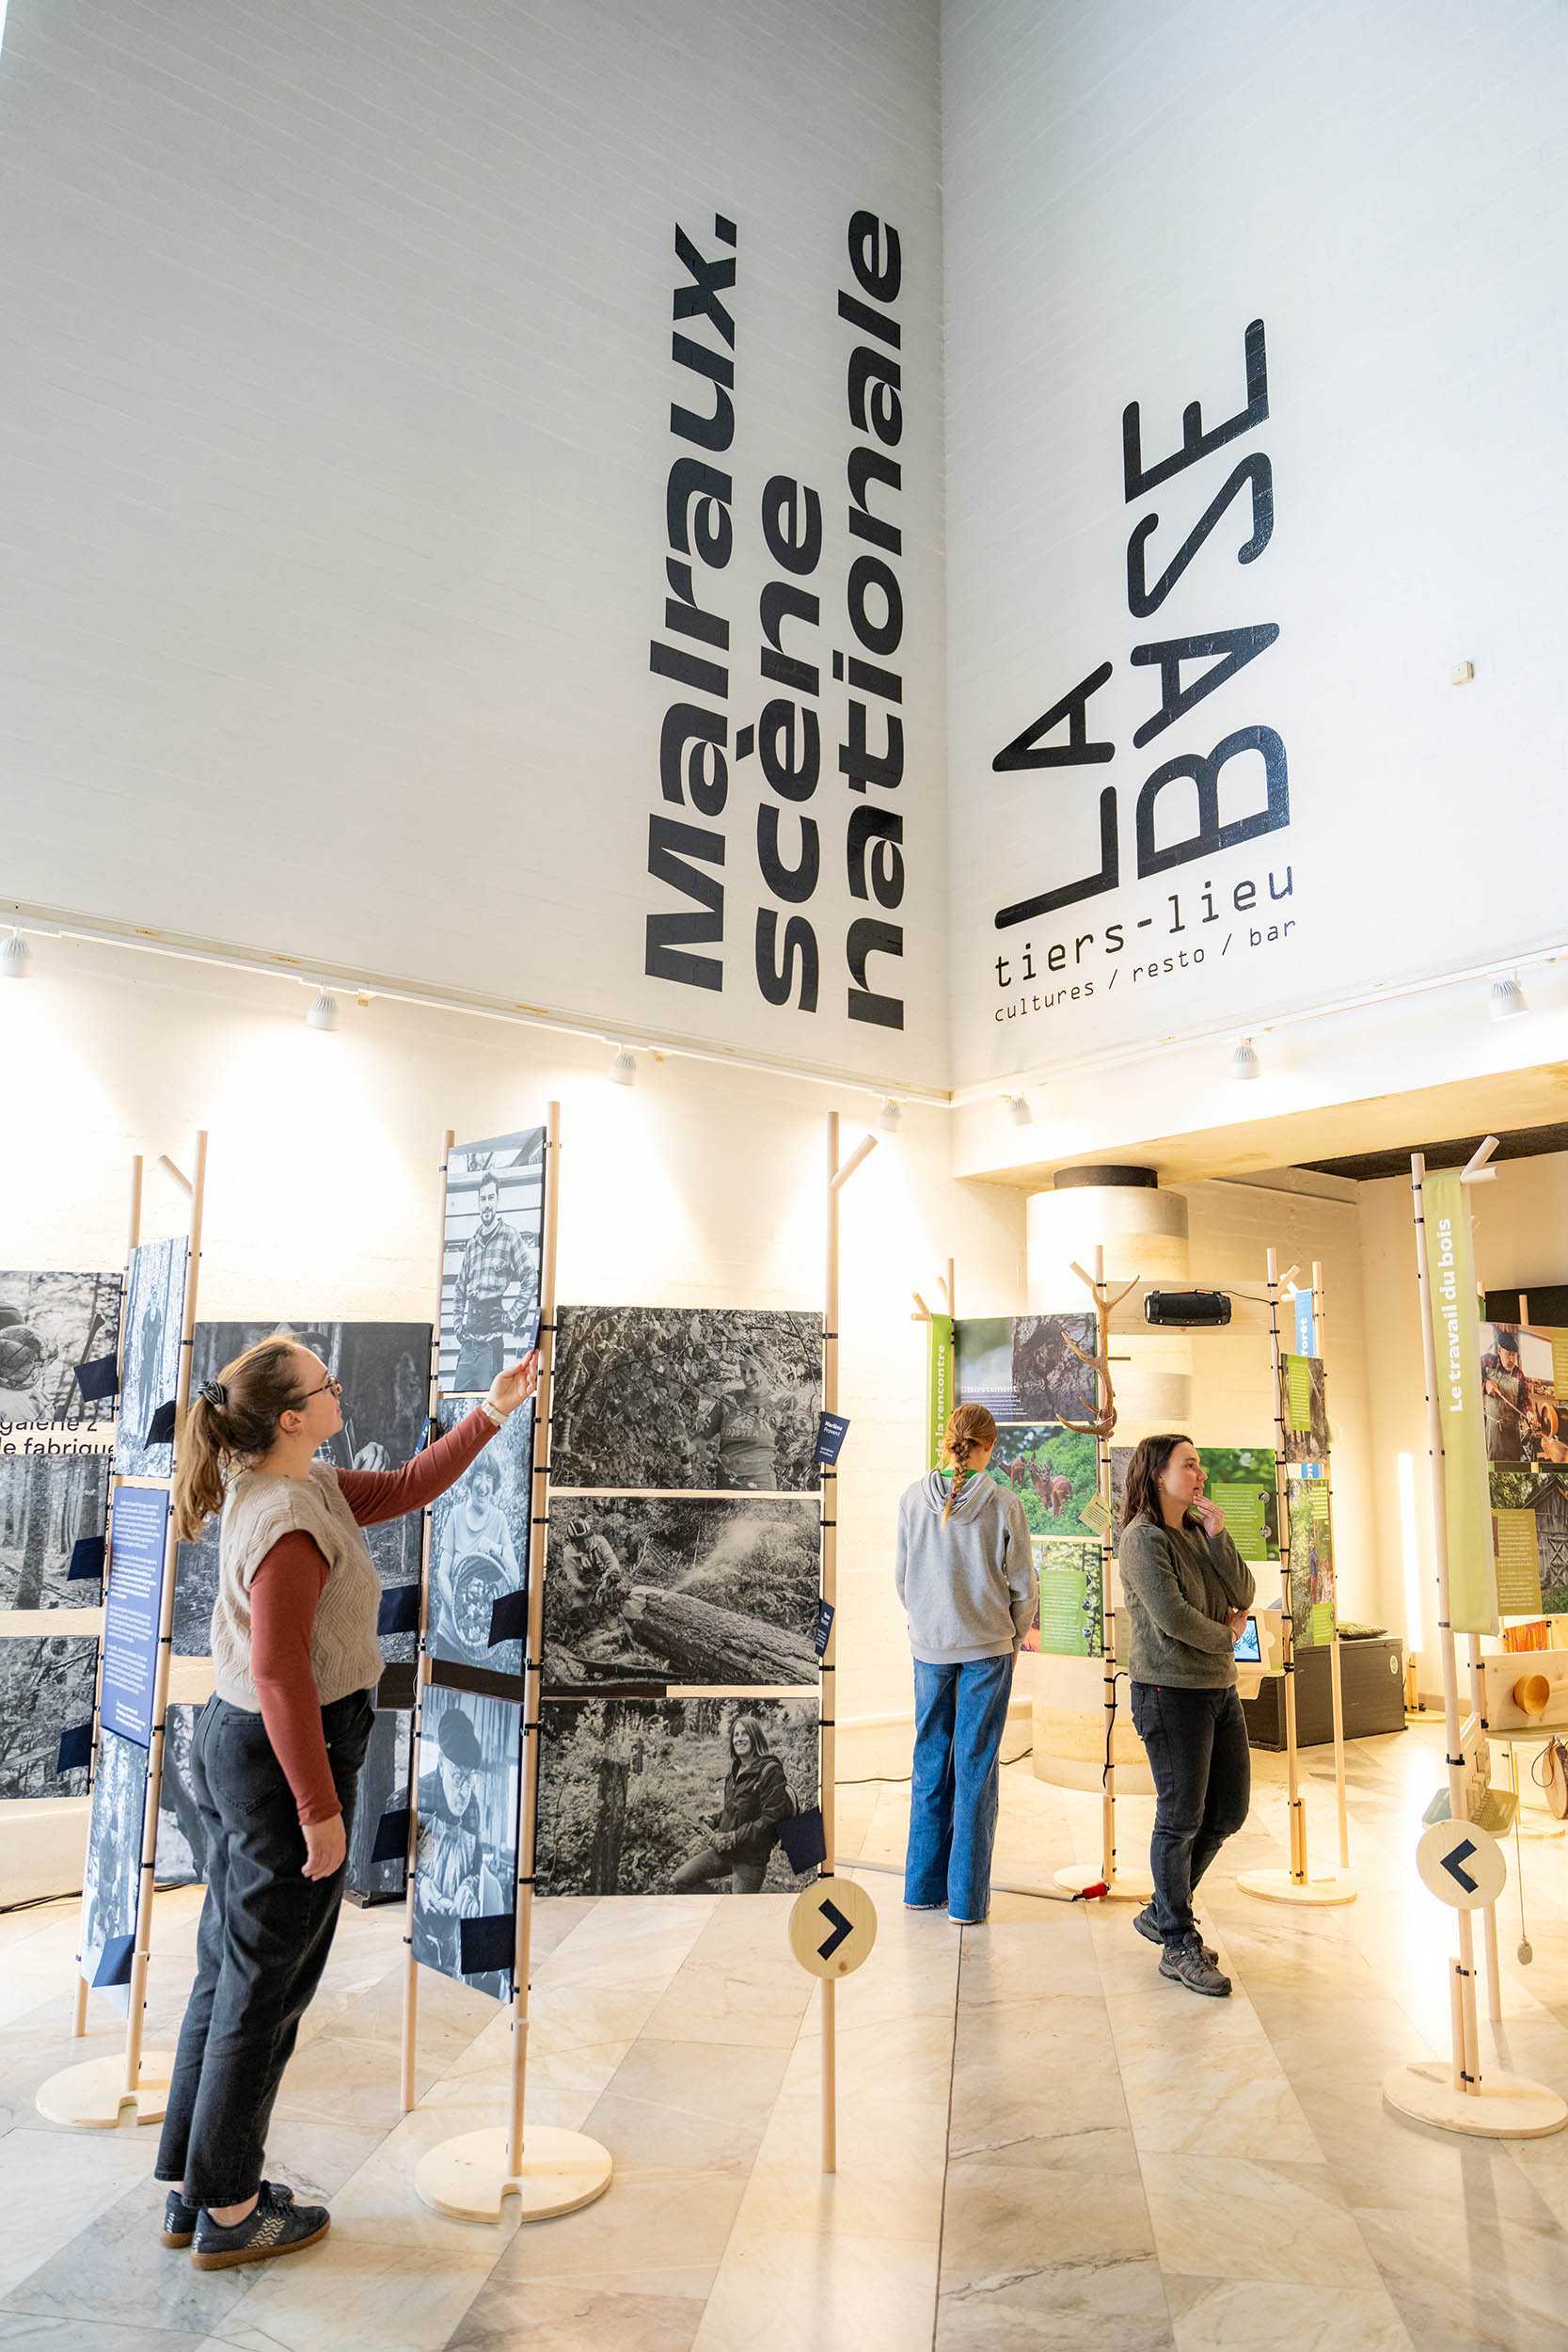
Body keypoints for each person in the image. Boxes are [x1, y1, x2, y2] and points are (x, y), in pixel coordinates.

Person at [154, 1332, 537, 2269]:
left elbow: (408, 1485)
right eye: (324, 1387)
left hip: (253, 1746)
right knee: (264, 1985)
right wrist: (320, 1810)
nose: (338, 1394)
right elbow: (284, 1674)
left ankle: (197, 2183)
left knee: (232, 1966)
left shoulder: (303, 1484)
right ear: (291, 1417)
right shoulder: (288, 1515)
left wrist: (494, 1407)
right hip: (283, 1753)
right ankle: (235, 2210)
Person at [1118, 1434, 1256, 1997]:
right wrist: (1227, 1633)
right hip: (1169, 1692)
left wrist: (1222, 1538)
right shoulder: (1141, 1540)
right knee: (1179, 1818)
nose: (1200, 1474)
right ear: (1157, 1474)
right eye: (1190, 1464)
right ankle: (1177, 1940)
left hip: (1217, 1689)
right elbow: (1172, 1617)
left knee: (1229, 1810)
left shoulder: (1200, 1532)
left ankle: (1161, 1908)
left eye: (1200, 1465)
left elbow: (1244, 1589)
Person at [895, 1404, 1036, 1925]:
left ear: (946, 1441)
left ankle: (919, 1889)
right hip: (987, 1651)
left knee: (930, 1764)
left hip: (929, 1650)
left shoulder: (913, 1499)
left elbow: (902, 1580)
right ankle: (966, 1902)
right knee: (975, 1771)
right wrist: (1013, 1636)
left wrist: (930, 1627)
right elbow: (1023, 1586)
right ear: (989, 1447)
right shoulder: (1003, 1503)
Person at [414, 1701, 508, 1994]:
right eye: (458, 1777)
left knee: (453, 1988)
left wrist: (469, 1884)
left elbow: (475, 1863)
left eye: (471, 1779)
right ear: (441, 1762)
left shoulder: (473, 1809)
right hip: (415, 1926)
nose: (464, 1790)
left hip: (451, 1928)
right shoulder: (417, 1797)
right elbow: (393, 1869)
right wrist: (420, 1885)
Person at [672, 1712, 794, 1892]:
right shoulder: (734, 1771)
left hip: (750, 1859)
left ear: (755, 1737)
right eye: (735, 1735)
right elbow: (734, 1809)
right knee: (679, 1880)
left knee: (737, 1914)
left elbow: (771, 1819)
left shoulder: (771, 1771)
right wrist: (714, 1819)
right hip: (725, 1853)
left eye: (744, 1734)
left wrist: (733, 1838)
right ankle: (719, 1908)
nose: (739, 1739)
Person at [451, 1171, 535, 1391]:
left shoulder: (510, 1236)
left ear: (497, 1200)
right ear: (478, 1203)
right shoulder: (472, 1244)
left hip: (491, 1345)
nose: (486, 1204)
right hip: (468, 1344)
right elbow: (460, 1287)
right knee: (457, 1399)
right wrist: (458, 1324)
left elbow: (530, 1275)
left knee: (489, 1409)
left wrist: (512, 1316)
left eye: (490, 1198)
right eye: (483, 1199)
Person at [699, 1353, 784, 1490]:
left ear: (767, 1370)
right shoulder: (729, 1400)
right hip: (725, 1482)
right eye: (743, 1371)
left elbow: (792, 1449)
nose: (747, 1378)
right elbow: (703, 1436)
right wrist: (686, 1447)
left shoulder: (779, 1404)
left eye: (753, 1371)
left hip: (760, 1482)